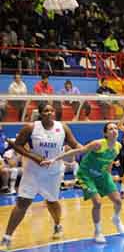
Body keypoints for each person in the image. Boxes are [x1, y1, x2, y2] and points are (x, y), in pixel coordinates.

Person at [0, 103, 83, 250]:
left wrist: (88, 149)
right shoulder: (31, 128)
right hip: (32, 171)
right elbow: (17, 145)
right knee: (22, 203)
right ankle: (7, 237)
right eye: (46, 111)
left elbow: (75, 144)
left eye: (51, 110)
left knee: (52, 201)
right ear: (40, 113)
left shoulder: (63, 127)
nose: (49, 113)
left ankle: (58, 225)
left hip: (53, 172)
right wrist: (34, 157)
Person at [41, 122, 124, 243]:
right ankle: (98, 232)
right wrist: (54, 159)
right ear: (105, 133)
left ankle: (116, 219)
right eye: (110, 129)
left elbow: (109, 161)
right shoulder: (98, 144)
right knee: (97, 202)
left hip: (102, 175)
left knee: (118, 201)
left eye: (115, 128)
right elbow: (78, 151)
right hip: (87, 175)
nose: (114, 130)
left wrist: (109, 175)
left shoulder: (118, 146)